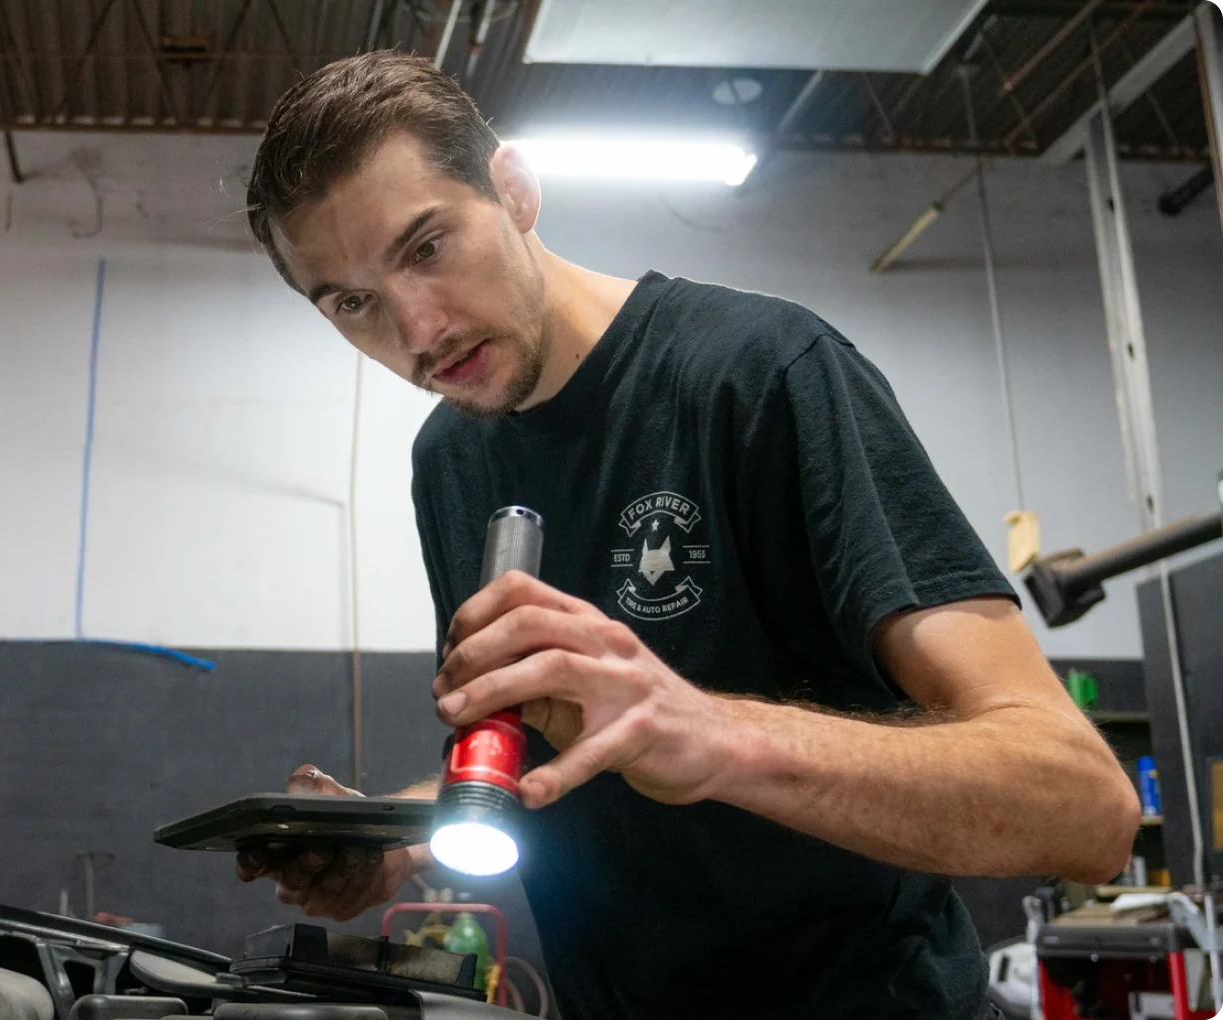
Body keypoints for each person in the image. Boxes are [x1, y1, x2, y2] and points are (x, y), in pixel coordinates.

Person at [229, 51, 1140, 1020]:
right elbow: (557, 755)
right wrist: (403, 839)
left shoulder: (763, 378)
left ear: (514, 189)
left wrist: (706, 733)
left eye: (425, 248)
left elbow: (1081, 806)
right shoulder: (447, 461)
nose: (415, 331)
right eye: (352, 304)